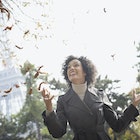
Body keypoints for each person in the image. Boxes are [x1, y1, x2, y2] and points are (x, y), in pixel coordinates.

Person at [41, 55, 140, 140]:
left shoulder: (100, 95)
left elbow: (118, 125)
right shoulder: (63, 100)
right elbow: (58, 133)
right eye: (68, 67)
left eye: (76, 65)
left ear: (85, 71)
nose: (71, 68)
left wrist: (133, 105)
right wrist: (49, 108)